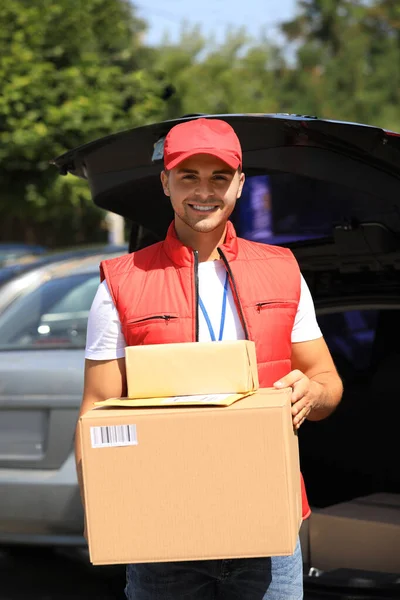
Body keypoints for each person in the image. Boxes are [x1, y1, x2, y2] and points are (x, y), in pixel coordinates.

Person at [76, 117, 343, 600]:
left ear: (240, 184)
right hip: (164, 536)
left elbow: (327, 381)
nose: (205, 191)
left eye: (219, 177)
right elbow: (95, 412)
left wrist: (314, 393)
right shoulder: (121, 282)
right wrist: (107, 515)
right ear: (165, 183)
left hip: (267, 526)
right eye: (188, 176)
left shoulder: (282, 270)